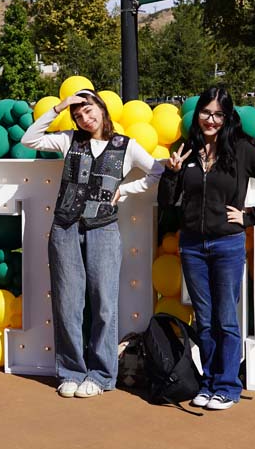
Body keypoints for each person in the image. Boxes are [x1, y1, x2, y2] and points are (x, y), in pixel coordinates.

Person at [22, 89, 164, 398]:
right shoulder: (69, 140)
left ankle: (101, 374)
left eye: (89, 111)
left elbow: (157, 171)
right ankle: (70, 370)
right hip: (65, 228)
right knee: (67, 303)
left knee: (104, 304)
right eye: (78, 115)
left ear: (101, 107)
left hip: (104, 229)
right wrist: (60, 106)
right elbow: (29, 139)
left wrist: (125, 191)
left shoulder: (126, 146)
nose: (85, 118)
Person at [158, 86, 255, 411]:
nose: (211, 120)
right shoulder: (187, 149)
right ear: (198, 114)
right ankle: (209, 382)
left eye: (218, 114)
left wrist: (249, 216)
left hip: (227, 244)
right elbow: (168, 201)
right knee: (204, 317)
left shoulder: (242, 150)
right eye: (206, 112)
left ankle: (228, 386)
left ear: (227, 117)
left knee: (226, 318)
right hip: (192, 246)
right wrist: (171, 174)